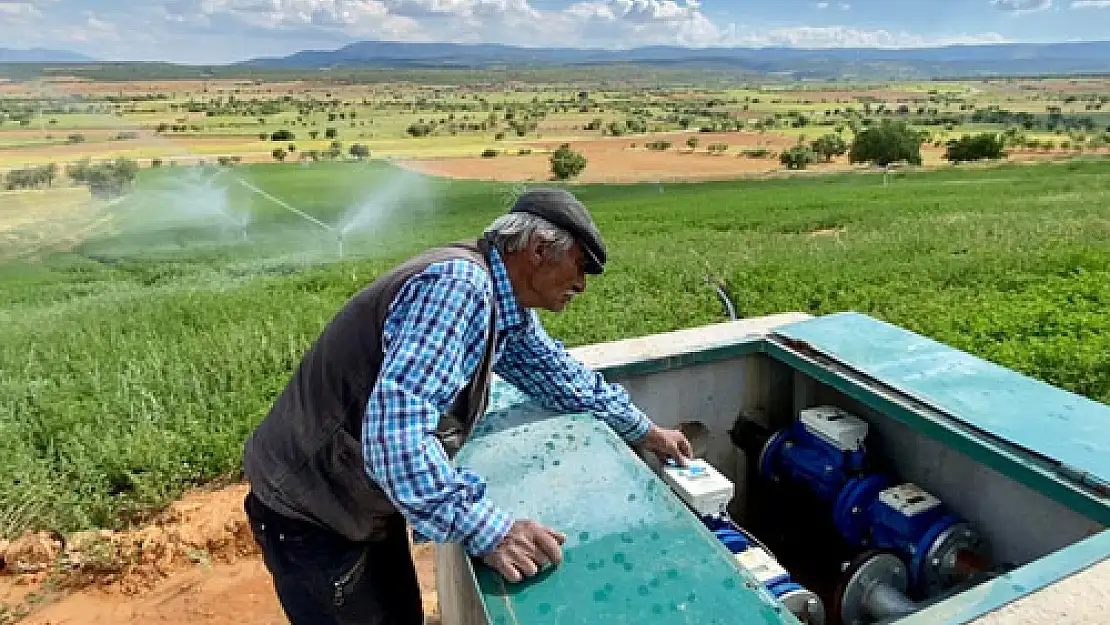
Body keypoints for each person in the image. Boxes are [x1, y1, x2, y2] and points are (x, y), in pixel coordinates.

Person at [241, 188, 694, 625]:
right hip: (313, 511)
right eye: (580, 266)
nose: (581, 285)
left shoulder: (502, 300)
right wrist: (489, 529)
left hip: (357, 498)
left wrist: (642, 430)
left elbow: (555, 372)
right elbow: (395, 437)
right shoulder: (458, 287)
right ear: (538, 250)